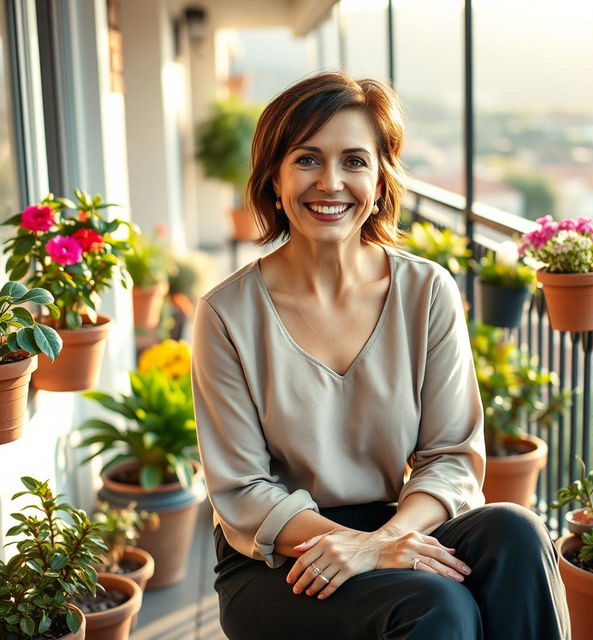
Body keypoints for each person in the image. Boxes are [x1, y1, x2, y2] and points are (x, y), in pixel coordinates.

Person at [191, 71, 570, 640]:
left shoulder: (427, 291)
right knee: (438, 607)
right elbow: (242, 489)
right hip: (276, 555)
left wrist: (380, 543)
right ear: (273, 177)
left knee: (515, 531)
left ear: (379, 179)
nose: (331, 183)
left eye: (354, 161)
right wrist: (357, 547)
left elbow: (451, 456)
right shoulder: (226, 315)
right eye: (307, 159)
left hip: (395, 520)